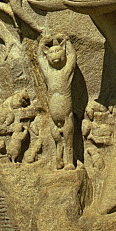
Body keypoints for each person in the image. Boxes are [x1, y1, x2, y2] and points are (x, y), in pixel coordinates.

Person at [37, 35, 77, 170]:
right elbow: (40, 58)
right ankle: (59, 161)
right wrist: (42, 43)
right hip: (53, 117)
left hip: (66, 115)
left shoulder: (66, 72)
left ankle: (70, 162)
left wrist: (67, 40)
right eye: (52, 52)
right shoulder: (48, 74)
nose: (55, 54)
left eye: (58, 51)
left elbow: (72, 56)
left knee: (68, 141)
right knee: (57, 141)